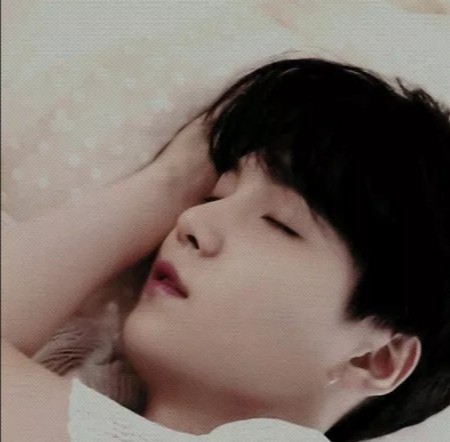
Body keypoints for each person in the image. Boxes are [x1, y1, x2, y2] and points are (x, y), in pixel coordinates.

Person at [2, 58, 449, 442]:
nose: (191, 221)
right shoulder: (74, 366)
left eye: (279, 224)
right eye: (213, 195)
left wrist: (172, 181)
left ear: (374, 358)